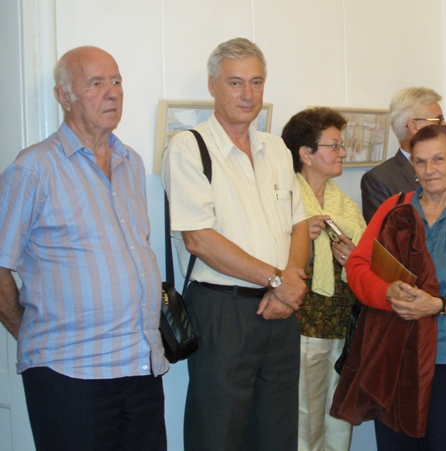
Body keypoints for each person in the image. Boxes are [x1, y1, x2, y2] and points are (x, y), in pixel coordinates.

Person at [0, 46, 168, 450]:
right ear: (64, 96)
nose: (112, 92)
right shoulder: (34, 168)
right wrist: (29, 332)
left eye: (116, 81)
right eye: (95, 83)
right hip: (69, 371)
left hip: (140, 366)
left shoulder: (131, 162)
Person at [161, 38, 309, 450]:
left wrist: (290, 284)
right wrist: (277, 280)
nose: (248, 94)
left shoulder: (275, 148)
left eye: (256, 82)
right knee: (219, 433)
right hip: (222, 310)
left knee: (278, 434)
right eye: (235, 83)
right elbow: (199, 239)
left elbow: (298, 223)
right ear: (213, 86)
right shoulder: (189, 147)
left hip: (281, 311)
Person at [345, 124, 446, 450]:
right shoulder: (393, 208)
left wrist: (438, 306)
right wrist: (386, 292)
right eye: (420, 161)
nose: (429, 169)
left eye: (438, 159)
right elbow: (357, 266)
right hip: (394, 351)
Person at [281, 107, 367, 451]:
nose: (343, 153)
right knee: (306, 420)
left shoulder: (343, 204)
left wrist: (353, 258)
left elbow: (368, 257)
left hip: (343, 326)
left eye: (341, 145)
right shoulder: (285, 201)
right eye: (334, 146)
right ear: (306, 154)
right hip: (304, 326)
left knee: (340, 417)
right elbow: (271, 261)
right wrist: (299, 235)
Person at [360, 87, 446, 223]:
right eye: (438, 120)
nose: (445, 125)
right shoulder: (380, 181)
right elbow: (386, 233)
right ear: (414, 126)